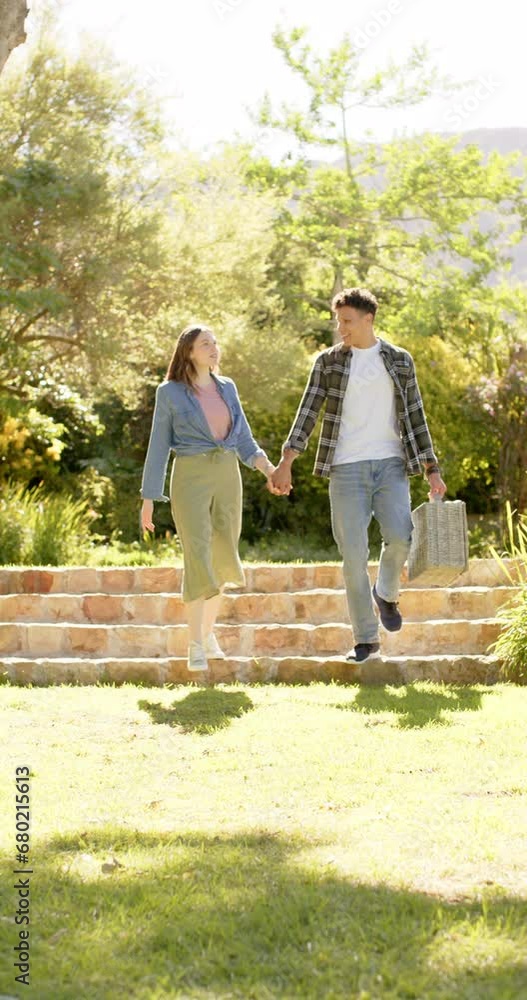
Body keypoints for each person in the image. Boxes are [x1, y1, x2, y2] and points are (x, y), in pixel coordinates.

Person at [271, 287, 447, 663]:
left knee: (400, 537)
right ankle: (366, 640)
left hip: (390, 464)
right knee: (352, 557)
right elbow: (308, 411)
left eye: (347, 321)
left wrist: (432, 468)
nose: (341, 328)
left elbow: (416, 416)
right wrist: (287, 459)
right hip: (346, 468)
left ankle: (386, 592)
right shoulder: (328, 362)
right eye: (338, 321)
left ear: (369, 319)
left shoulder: (399, 360)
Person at [140, 324, 278, 673]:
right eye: (206, 344)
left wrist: (270, 471)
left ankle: (208, 633)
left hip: (227, 476)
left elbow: (244, 440)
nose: (214, 348)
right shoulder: (169, 393)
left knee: (222, 555)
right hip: (190, 476)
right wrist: (148, 498)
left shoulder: (228, 387)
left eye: (215, 343)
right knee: (198, 554)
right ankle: (196, 644)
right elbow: (158, 446)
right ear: (188, 351)